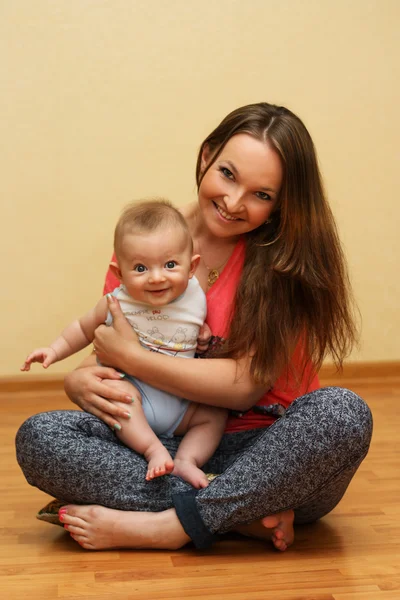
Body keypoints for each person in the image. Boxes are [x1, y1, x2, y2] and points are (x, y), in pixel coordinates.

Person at [16, 102, 373, 553]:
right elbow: (113, 344)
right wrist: (80, 378)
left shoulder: (286, 260)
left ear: (283, 204)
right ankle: (237, 516)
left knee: (342, 413)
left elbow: (243, 388)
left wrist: (130, 358)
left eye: (262, 195)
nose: (234, 201)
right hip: (160, 446)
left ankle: (169, 526)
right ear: (207, 156)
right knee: (40, 438)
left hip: (270, 452)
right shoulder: (149, 242)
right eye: (227, 174)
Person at [20, 199, 227, 488]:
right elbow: (82, 328)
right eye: (141, 268)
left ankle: (186, 460)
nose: (156, 277)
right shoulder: (116, 302)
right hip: (137, 396)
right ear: (119, 273)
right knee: (120, 395)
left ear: (191, 267)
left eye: (169, 265)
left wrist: (200, 332)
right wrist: (54, 350)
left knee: (215, 413)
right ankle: (152, 449)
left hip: (183, 405)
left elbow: (188, 323)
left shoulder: (194, 293)